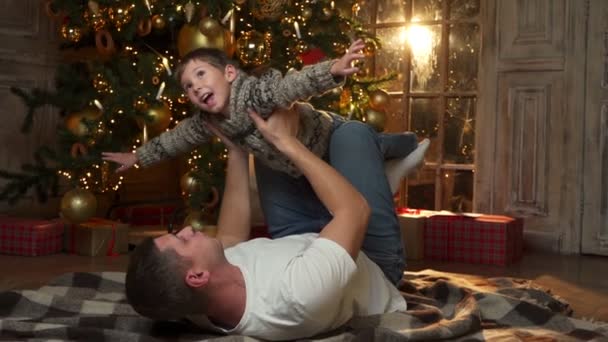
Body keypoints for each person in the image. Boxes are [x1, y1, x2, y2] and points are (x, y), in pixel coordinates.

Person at [104, 41, 429, 283]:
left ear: (230, 73)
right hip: (289, 164)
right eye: (189, 86)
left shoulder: (256, 93)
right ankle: (312, 244)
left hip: (328, 140)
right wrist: (137, 157)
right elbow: (175, 139)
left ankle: (390, 148)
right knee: (266, 162)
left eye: (201, 74)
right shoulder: (208, 121)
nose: (197, 87)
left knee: (357, 137)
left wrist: (331, 70)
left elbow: (291, 85)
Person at [125, 108, 407, 341]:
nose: (188, 229)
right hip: (368, 259)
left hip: (301, 242)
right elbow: (355, 211)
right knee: (351, 136)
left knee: (263, 140)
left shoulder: (196, 298)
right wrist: (288, 143)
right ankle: (386, 151)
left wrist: (237, 151)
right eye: (183, 241)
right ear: (197, 276)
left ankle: (364, 169)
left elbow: (232, 234)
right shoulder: (296, 296)